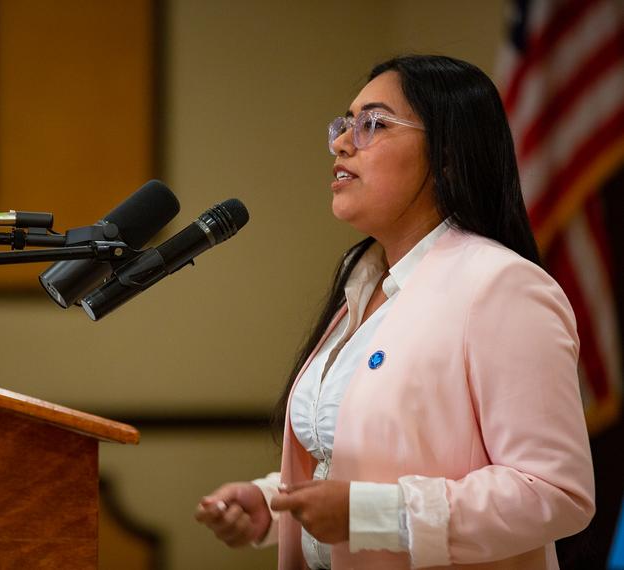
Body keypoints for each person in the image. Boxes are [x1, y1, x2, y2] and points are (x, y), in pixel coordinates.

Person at [195, 55, 595, 569]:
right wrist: (274, 504)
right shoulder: (363, 283)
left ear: (447, 156)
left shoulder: (501, 286)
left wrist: (371, 515)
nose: (341, 143)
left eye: (373, 125)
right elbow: (366, 455)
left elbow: (555, 492)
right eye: (345, 125)